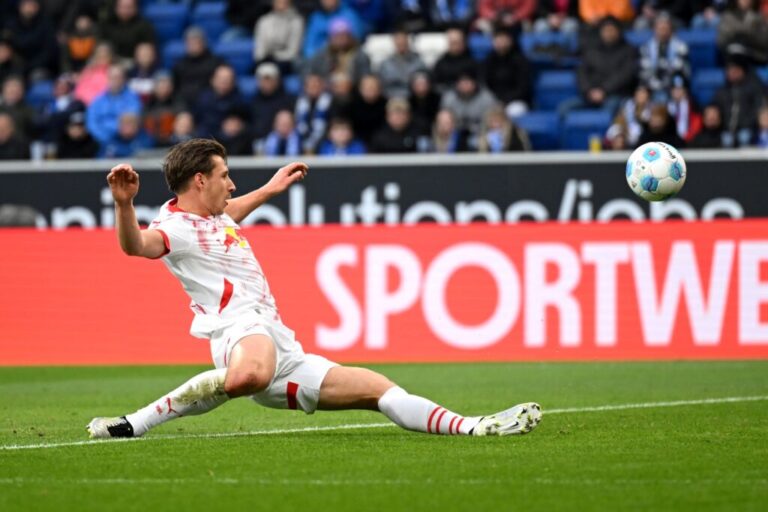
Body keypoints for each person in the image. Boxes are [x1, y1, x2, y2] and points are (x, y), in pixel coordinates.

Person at [88, 138, 541, 439]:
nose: (232, 183)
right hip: (238, 331)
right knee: (248, 376)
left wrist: (270, 189)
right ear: (199, 180)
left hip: (282, 346)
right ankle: (135, 423)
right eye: (225, 175)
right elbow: (137, 246)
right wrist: (124, 205)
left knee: (379, 389)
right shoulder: (174, 228)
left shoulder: (214, 217)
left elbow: (230, 213)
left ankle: (472, 427)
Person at [565, 16, 637, 115]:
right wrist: (588, 90)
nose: (608, 33)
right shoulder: (591, 50)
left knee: (608, 111)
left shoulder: (628, 51)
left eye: (611, 30)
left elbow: (625, 75)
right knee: (565, 108)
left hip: (615, 94)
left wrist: (604, 90)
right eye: (606, 30)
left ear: (618, 31)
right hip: (590, 94)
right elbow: (582, 72)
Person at [85, 64, 142, 147]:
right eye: (112, 77)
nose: (115, 80)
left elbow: (131, 121)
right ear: (107, 79)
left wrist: (115, 132)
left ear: (124, 79)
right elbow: (91, 123)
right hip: (101, 142)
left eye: (118, 77)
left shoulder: (133, 98)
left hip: (126, 140)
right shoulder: (98, 100)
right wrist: (103, 138)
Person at [638, 12, 690, 102]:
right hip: (650, 86)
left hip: (672, 86)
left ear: (671, 29)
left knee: (670, 95)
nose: (663, 30)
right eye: (660, 28)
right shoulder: (645, 48)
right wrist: (646, 87)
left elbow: (682, 70)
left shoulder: (681, 47)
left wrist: (677, 86)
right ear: (654, 29)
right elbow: (643, 71)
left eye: (665, 27)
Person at [304, 17, 371, 84]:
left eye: (344, 35)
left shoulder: (360, 56)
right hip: (326, 87)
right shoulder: (321, 55)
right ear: (331, 38)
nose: (341, 39)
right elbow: (310, 73)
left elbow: (364, 76)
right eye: (337, 36)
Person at [482, 27, 531, 118]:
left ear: (510, 40)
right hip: (494, 100)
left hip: (516, 101)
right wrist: (495, 100)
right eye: (497, 38)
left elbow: (523, 88)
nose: (500, 42)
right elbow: (485, 83)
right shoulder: (489, 60)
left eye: (503, 38)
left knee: (514, 111)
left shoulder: (521, 60)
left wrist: (505, 101)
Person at [173, 27, 225, 107]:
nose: (193, 46)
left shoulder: (216, 63)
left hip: (209, 105)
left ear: (203, 43)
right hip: (184, 106)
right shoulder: (179, 65)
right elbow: (175, 89)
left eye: (196, 42)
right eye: (190, 43)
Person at [255, 0, 304, 75]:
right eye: (278, 2)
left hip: (286, 61)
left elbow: (293, 51)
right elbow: (259, 49)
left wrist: (275, 56)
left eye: (284, 2)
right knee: (262, 69)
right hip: (266, 60)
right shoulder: (264, 21)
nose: (281, 5)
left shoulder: (297, 21)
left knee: (272, 71)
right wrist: (263, 58)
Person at [251, 62, 297, 142]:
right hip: (257, 141)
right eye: (263, 80)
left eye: (269, 80)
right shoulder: (253, 102)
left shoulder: (288, 101)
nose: (266, 83)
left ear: (277, 81)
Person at [378, 28, 427, 99]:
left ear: (408, 41)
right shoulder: (386, 64)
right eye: (398, 40)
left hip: (412, 99)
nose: (401, 43)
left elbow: (423, 82)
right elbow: (381, 85)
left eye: (403, 40)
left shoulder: (418, 62)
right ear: (394, 42)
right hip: (390, 98)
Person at [432, 27, 478, 93]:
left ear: (463, 43)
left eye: (457, 42)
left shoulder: (472, 62)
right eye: (452, 43)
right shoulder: (440, 63)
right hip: (446, 94)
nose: (455, 46)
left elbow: (478, 83)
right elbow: (436, 84)